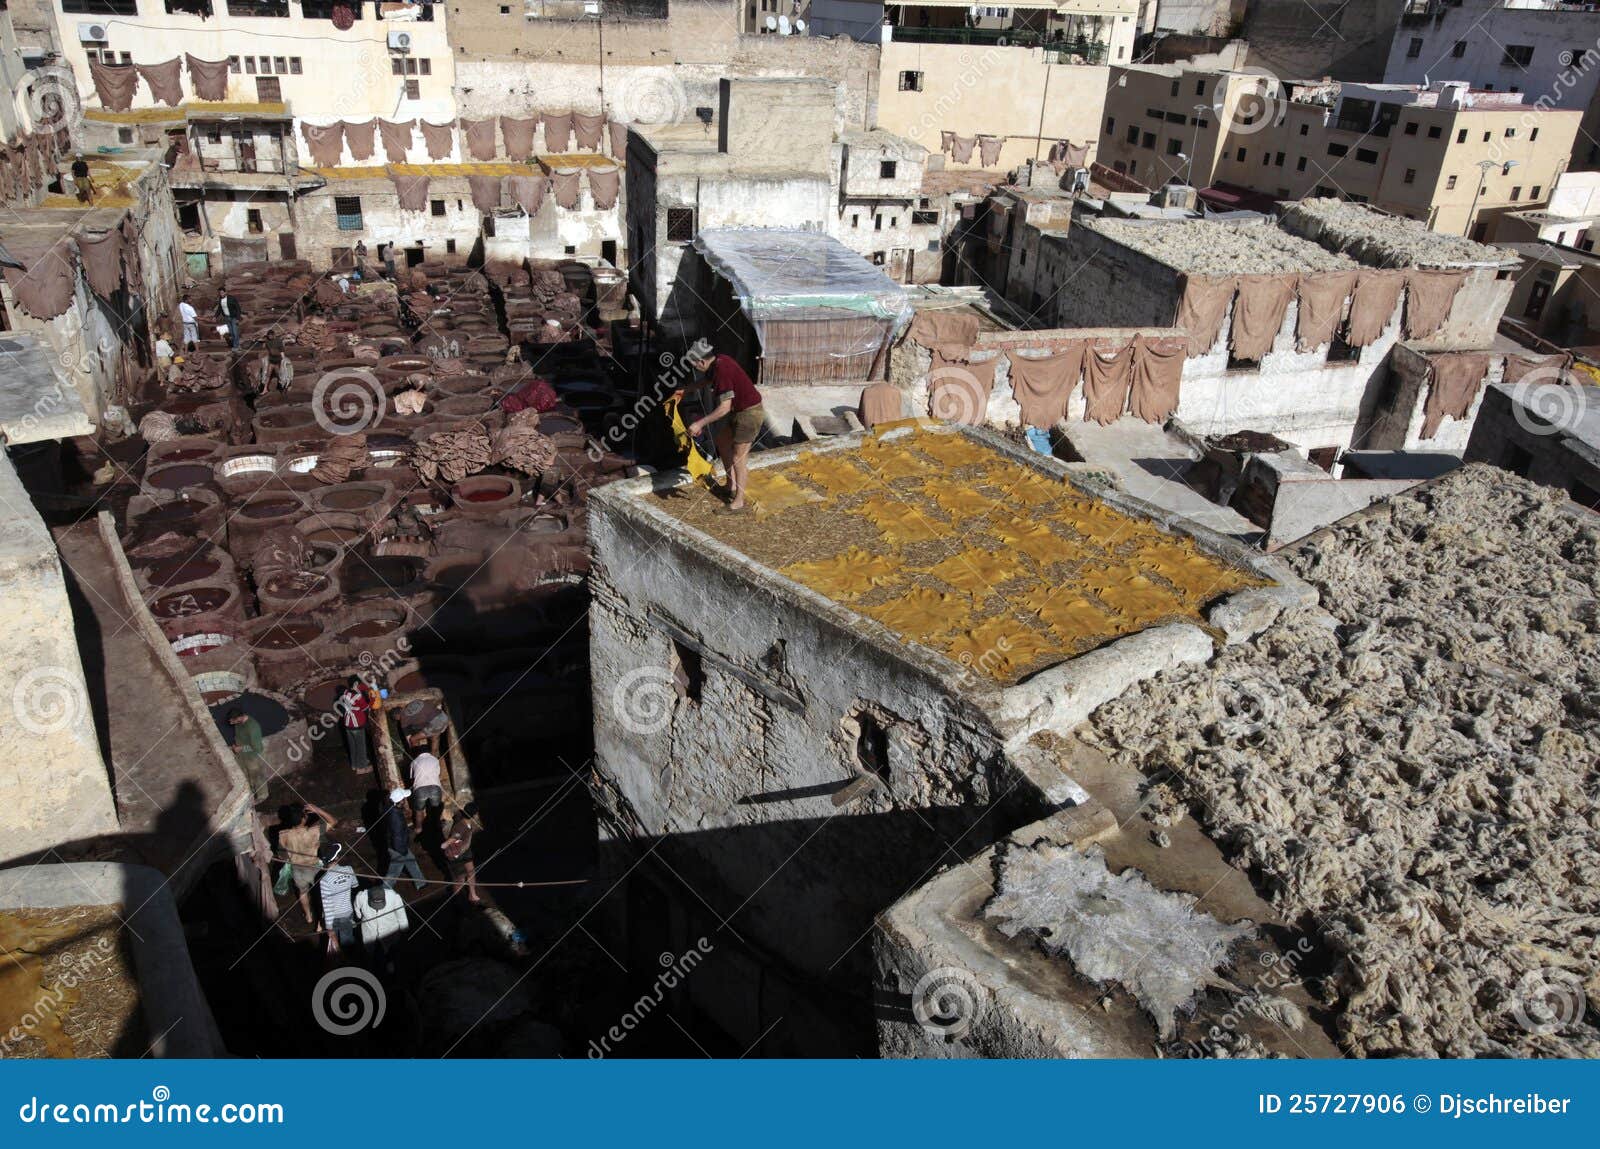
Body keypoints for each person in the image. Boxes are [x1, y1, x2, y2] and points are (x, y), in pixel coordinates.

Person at [685, 346, 765, 512]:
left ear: (702, 361)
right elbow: (707, 380)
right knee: (722, 440)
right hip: (740, 411)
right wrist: (686, 390)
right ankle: (731, 485)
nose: (695, 369)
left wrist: (699, 424)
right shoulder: (718, 361)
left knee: (738, 457)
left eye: (695, 366)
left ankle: (738, 503)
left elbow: (724, 408)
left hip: (749, 414)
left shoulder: (722, 371)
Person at [276, 801, 338, 926]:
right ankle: (320, 922)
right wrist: (317, 810)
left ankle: (309, 916)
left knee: (303, 892)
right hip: (315, 868)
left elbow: (281, 855)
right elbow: (334, 821)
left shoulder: (283, 835)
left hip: (297, 870)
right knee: (320, 894)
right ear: (303, 818)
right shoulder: (314, 831)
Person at [316, 841, 359, 952]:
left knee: (335, 946)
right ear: (337, 858)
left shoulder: (324, 880)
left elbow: (327, 906)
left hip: (333, 918)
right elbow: (355, 885)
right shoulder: (349, 869)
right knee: (348, 942)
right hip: (347, 914)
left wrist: (329, 927)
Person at [353, 884, 410, 967]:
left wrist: (404, 929)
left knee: (391, 947)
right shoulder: (361, 897)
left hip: (390, 929)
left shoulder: (394, 897)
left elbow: (401, 915)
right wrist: (359, 915)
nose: (377, 908)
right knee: (369, 948)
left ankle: (390, 961)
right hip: (369, 929)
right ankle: (371, 961)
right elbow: (356, 907)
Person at [381, 787, 425, 890]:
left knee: (411, 861)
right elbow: (397, 836)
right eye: (404, 798)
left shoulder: (390, 808)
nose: (406, 800)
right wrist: (402, 851)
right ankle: (384, 891)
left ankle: (421, 883)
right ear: (400, 801)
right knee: (394, 871)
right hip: (397, 847)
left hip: (394, 843)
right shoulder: (396, 817)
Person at [442, 801, 481, 905]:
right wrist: (445, 844)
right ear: (475, 814)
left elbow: (457, 814)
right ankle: (457, 900)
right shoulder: (461, 825)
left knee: (471, 871)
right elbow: (454, 836)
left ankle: (472, 894)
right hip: (457, 852)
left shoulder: (464, 818)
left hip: (465, 849)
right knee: (460, 878)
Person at [228, 707, 270, 802]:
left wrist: (241, 748)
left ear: (239, 718)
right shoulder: (239, 722)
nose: (231, 723)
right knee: (246, 774)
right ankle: (251, 791)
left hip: (253, 756)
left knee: (256, 776)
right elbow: (239, 735)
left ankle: (262, 796)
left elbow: (257, 748)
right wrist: (237, 746)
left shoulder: (252, 728)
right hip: (242, 755)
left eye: (233, 721)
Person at [336, 676, 372, 774]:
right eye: (359, 683)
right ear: (356, 684)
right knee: (361, 746)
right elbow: (366, 707)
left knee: (353, 745)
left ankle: (355, 764)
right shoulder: (358, 697)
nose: (360, 685)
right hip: (357, 724)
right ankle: (361, 768)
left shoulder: (345, 693)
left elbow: (362, 688)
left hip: (347, 723)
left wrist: (368, 685)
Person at [409, 750, 443, 834]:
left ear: (418, 754)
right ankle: (436, 826)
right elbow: (438, 774)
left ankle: (418, 828)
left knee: (419, 811)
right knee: (435, 810)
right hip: (435, 788)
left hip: (420, 789)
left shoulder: (414, 761)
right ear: (429, 753)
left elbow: (412, 778)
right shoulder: (435, 759)